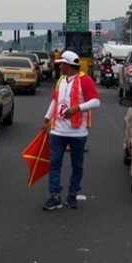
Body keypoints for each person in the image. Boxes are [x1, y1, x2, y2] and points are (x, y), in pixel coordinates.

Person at [42, 50, 100, 210]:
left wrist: (77, 108)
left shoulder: (85, 80)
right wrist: (47, 118)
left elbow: (96, 102)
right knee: (54, 163)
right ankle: (55, 195)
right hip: (58, 131)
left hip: (77, 133)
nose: (60, 67)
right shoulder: (61, 80)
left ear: (69, 65)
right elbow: (55, 100)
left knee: (77, 165)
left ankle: (72, 194)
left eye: (62, 64)